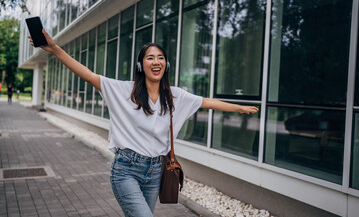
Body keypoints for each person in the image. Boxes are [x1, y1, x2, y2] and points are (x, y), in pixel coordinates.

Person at [29, 29, 259, 217]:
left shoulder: (175, 95)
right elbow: (87, 74)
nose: (156, 61)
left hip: (155, 171)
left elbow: (206, 102)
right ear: (141, 65)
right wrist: (56, 49)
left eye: (160, 57)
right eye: (150, 57)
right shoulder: (122, 90)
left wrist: (238, 108)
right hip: (126, 170)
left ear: (166, 65)